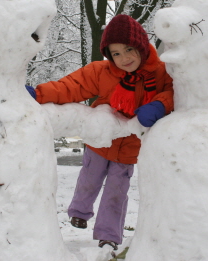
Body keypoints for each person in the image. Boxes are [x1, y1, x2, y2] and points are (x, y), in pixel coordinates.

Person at [26, 14, 174, 251]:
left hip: (129, 148)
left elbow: (172, 92)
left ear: (141, 45)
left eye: (128, 50)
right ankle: (79, 212)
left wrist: (159, 105)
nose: (123, 58)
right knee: (89, 178)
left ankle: (109, 235)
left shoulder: (160, 73)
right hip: (99, 141)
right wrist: (39, 94)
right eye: (116, 53)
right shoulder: (101, 72)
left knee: (117, 192)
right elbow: (70, 87)